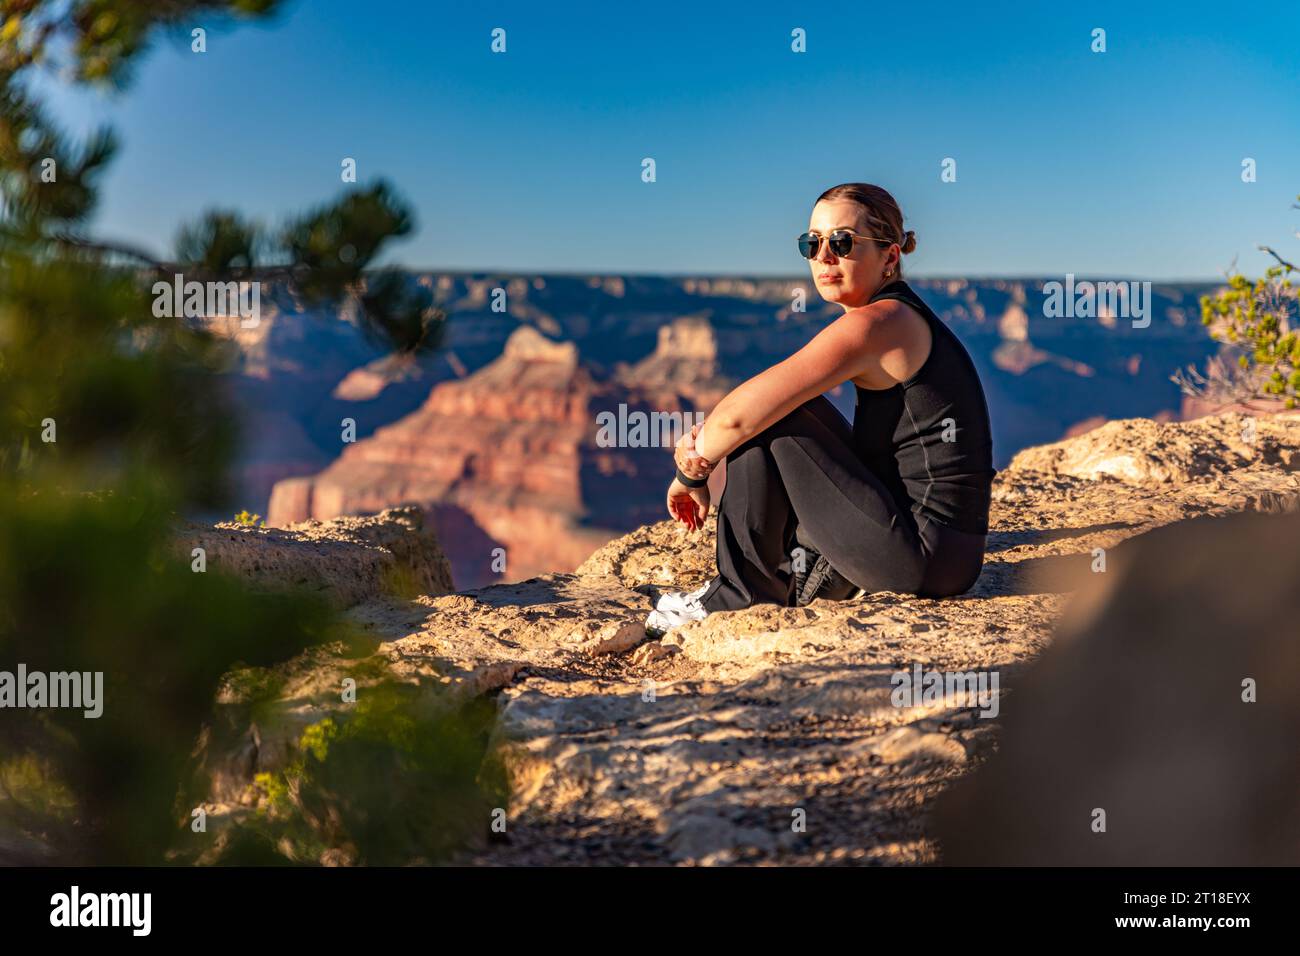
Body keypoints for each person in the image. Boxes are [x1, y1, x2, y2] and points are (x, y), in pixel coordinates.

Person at [646, 183, 996, 636]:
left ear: (890, 257)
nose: (824, 257)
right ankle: (792, 576)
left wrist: (690, 472)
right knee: (782, 409)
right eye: (812, 243)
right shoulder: (897, 316)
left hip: (923, 561)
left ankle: (740, 596)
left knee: (773, 415)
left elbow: (740, 416)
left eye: (843, 242)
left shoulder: (879, 324)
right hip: (940, 553)